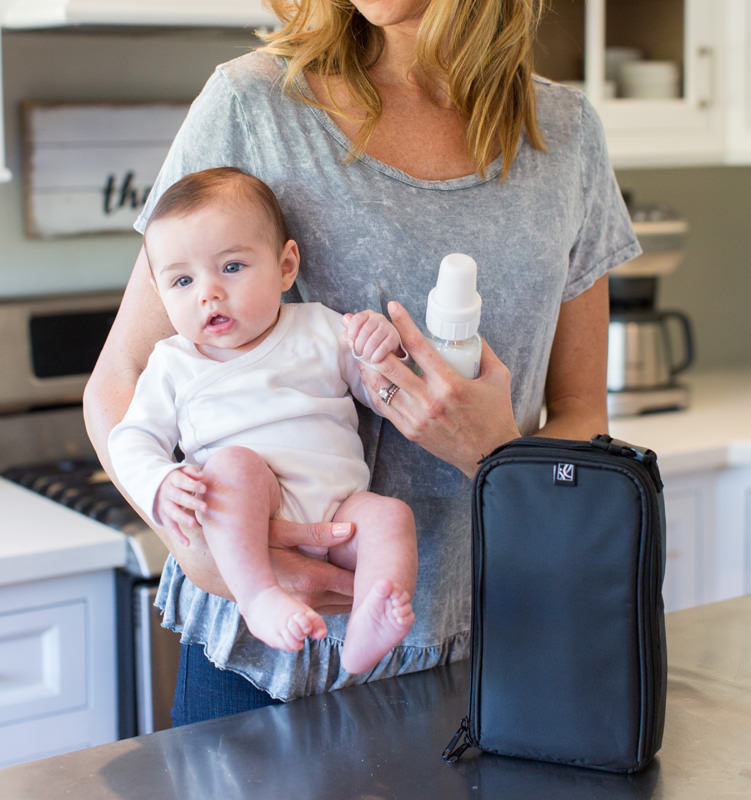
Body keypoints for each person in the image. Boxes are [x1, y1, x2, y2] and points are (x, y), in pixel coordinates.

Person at [83, 0, 642, 725]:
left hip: (495, 647)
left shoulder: (565, 136)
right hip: (263, 670)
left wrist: (496, 453)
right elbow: (119, 383)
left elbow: (581, 417)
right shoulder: (253, 105)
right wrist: (200, 555)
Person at [107, 167, 417, 675]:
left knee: (391, 517)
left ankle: (370, 619)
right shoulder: (173, 362)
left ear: (285, 266)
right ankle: (259, 597)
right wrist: (159, 483)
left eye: (231, 267)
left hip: (339, 511)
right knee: (232, 468)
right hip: (251, 521)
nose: (208, 293)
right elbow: (132, 439)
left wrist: (379, 352)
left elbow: (388, 398)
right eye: (182, 281)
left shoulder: (320, 326)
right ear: (160, 295)